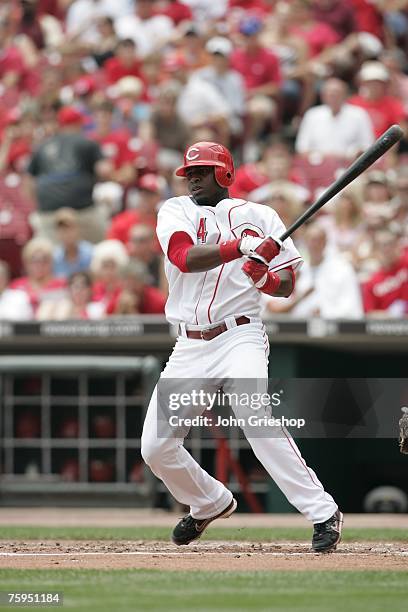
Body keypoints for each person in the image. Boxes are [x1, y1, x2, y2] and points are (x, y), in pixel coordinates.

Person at [141, 140, 343, 553]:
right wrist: (239, 248)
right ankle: (209, 501)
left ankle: (323, 512)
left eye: (202, 171)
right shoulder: (175, 210)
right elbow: (183, 256)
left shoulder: (262, 216)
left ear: (225, 173)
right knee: (156, 446)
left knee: (255, 414)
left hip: (240, 334)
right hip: (190, 342)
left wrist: (263, 278)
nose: (193, 179)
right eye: (190, 173)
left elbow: (286, 286)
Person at [27, 105, 112, 243]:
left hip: (48, 211)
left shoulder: (42, 145)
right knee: (102, 243)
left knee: (48, 249)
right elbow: (105, 171)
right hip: (82, 210)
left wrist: (40, 204)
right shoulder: (87, 142)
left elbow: (28, 182)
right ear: (78, 124)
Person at [264, 224, 364, 319]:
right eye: (311, 240)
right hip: (296, 328)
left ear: (325, 242)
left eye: (318, 241)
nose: (314, 245)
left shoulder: (342, 269)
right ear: (305, 242)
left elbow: (352, 307)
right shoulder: (296, 270)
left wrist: (326, 313)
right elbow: (275, 307)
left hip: (334, 329)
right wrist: (301, 297)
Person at [295, 78, 375, 158]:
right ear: (323, 96)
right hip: (318, 165)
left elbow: (368, 145)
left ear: (345, 95)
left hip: (350, 164)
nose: (333, 97)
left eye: (337, 94)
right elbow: (302, 148)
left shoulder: (359, 114)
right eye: (330, 94)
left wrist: (351, 154)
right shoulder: (312, 115)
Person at [53, 207, 94, 278]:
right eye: (62, 230)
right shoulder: (54, 257)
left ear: (77, 229)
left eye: (69, 228)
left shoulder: (91, 253)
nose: (66, 234)